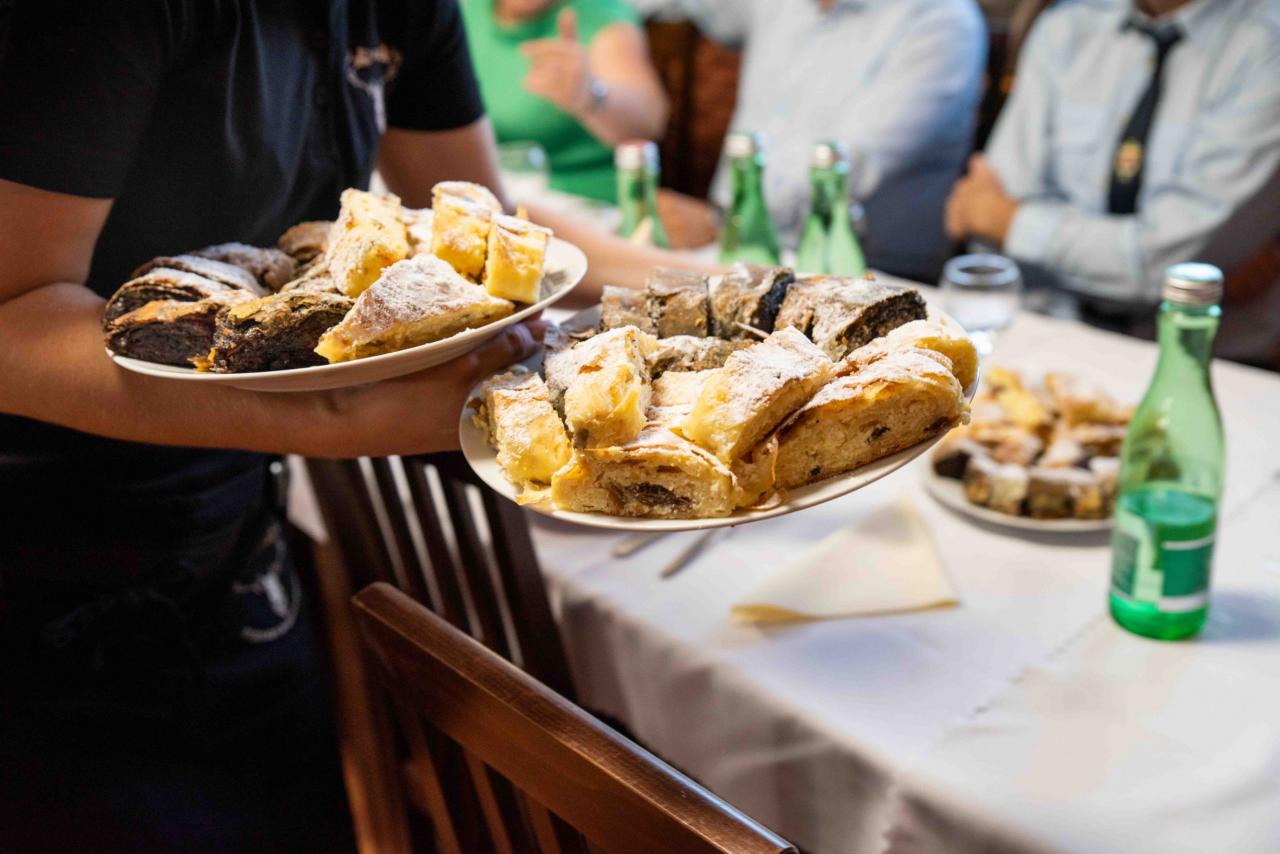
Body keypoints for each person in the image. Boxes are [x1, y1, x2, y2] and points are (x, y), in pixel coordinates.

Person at [0, 2, 550, 849]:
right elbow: (11, 321)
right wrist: (331, 416)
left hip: (235, 548)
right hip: (44, 572)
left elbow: (483, 234)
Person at [945, 0, 1280, 330]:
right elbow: (987, 232)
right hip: (1046, 325)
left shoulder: (1266, 46)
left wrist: (1011, 223)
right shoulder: (1069, 24)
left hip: (1198, 347)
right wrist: (1003, 224)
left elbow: (1164, 266)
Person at [630, 0, 987, 281]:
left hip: (869, 277)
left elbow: (847, 167)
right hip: (734, 250)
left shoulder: (941, 21)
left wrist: (725, 220)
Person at [461, 0, 669, 203]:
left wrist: (591, 95)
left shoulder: (600, 14)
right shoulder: (468, 10)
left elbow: (649, 124)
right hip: (495, 195)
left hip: (585, 202)